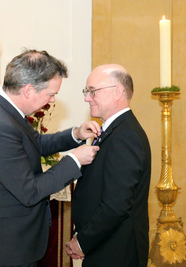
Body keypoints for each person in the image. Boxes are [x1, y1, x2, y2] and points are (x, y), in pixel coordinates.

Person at [0, 49, 101, 267]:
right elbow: (29, 191)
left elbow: (34, 144)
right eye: (50, 94)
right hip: (5, 246)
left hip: (11, 239)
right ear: (28, 89)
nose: (53, 100)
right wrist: (74, 161)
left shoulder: (2, 107)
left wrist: (75, 135)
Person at [66, 64, 151, 267]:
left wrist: (83, 241)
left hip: (117, 251)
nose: (87, 98)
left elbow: (116, 206)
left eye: (92, 91)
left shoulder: (125, 136)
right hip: (106, 245)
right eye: (87, 92)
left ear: (118, 91)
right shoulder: (115, 130)